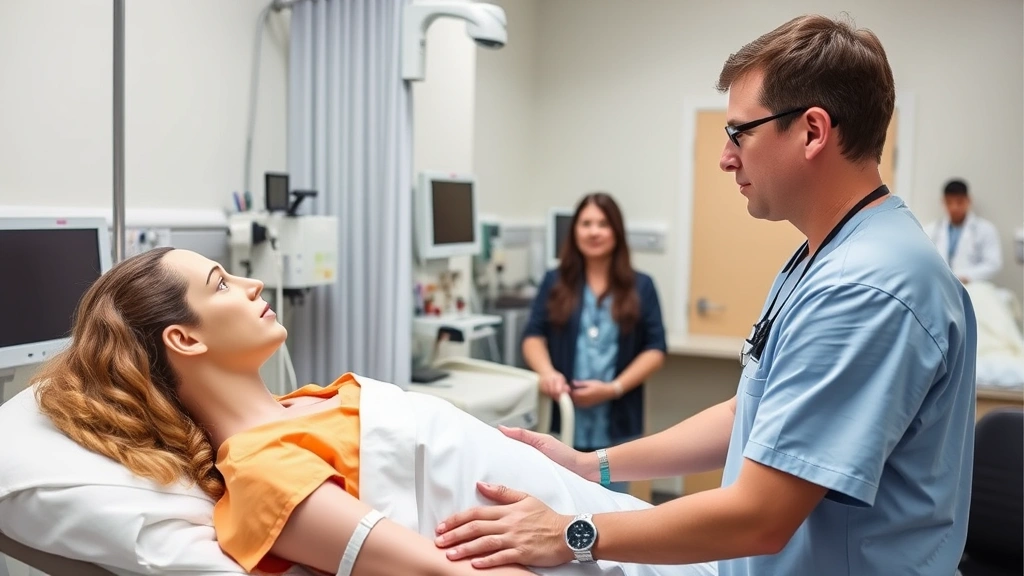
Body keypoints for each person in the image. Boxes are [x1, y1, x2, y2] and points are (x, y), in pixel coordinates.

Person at [434, 14, 977, 576]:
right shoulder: (823, 256)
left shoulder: (866, 289)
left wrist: (571, 534)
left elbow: (761, 518)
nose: (725, 157)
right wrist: (589, 463)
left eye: (741, 133)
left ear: (813, 131)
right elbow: (756, 412)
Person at [31, 247, 715, 576]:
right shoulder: (261, 473)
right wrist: (577, 541)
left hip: (654, 538)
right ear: (185, 339)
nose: (254, 282)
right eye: (222, 283)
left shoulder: (308, 403)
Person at [524, 192, 666, 492]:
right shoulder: (554, 282)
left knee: (611, 511)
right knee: (558, 504)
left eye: (602, 224)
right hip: (563, 419)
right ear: (574, 230)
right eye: (586, 223)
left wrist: (614, 389)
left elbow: (655, 348)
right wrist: (548, 373)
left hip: (617, 423)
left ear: (616, 231)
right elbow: (533, 336)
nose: (593, 231)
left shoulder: (642, 286)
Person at [926, 178, 1003, 284]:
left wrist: (967, 276)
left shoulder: (986, 229)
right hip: (941, 285)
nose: (954, 207)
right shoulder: (932, 230)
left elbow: (993, 264)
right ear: (943, 202)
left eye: (959, 202)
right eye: (949, 202)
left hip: (973, 285)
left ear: (968, 200)